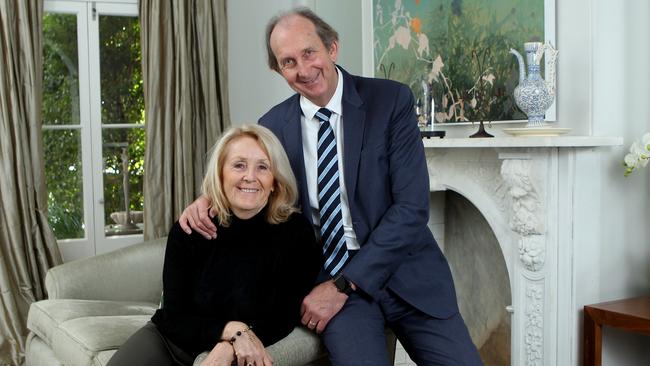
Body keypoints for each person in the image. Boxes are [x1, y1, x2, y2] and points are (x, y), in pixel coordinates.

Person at [180, 7, 482, 366]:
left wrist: (346, 283)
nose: (304, 70)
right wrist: (208, 199)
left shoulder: (390, 102)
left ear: (332, 48)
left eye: (309, 53)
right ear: (278, 70)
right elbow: (249, 177)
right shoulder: (273, 125)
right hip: (333, 288)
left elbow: (411, 208)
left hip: (408, 276)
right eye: (288, 62)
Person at [108, 124, 322, 366]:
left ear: (274, 181)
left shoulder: (295, 233)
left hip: (239, 343)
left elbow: (284, 316)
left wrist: (231, 346)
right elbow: (175, 317)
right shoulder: (190, 228)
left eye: (262, 167)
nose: (249, 176)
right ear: (220, 174)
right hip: (172, 341)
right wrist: (232, 331)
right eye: (239, 165)